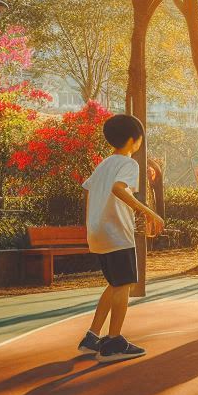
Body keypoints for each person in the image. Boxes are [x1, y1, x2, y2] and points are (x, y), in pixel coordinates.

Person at [78, 114, 164, 363]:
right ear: (132, 140)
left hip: (98, 233)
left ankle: (92, 336)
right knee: (124, 285)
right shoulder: (129, 163)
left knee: (115, 283)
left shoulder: (104, 163)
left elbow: (90, 192)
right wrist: (148, 212)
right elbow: (118, 189)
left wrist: (92, 225)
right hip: (116, 233)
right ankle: (114, 341)